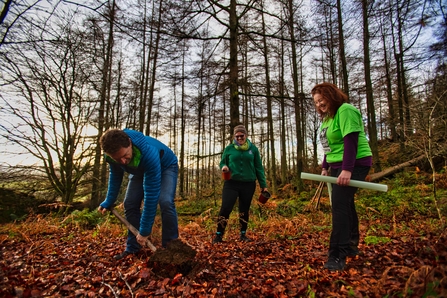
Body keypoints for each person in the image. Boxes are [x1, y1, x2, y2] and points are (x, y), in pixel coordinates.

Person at [311, 83, 372, 271]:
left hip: (356, 164)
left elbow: (351, 141)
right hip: (337, 165)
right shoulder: (327, 119)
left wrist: (347, 169)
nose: (319, 104)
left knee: (339, 206)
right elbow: (329, 145)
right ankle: (352, 245)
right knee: (345, 203)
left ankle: (337, 255)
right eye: (316, 102)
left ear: (331, 95)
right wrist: (325, 166)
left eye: (322, 99)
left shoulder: (346, 110)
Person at [97, 128, 179, 260]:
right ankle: (133, 248)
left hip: (165, 167)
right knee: (130, 203)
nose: (122, 161)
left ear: (129, 143)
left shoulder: (148, 153)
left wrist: (145, 230)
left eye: (124, 155)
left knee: (165, 201)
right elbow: (115, 176)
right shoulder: (112, 155)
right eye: (118, 159)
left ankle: (171, 248)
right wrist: (109, 201)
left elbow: (151, 196)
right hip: (139, 171)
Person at [213, 124, 268, 244]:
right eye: (236, 136)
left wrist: (263, 185)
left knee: (244, 209)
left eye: (241, 136)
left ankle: (243, 234)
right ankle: (219, 235)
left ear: (246, 135)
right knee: (226, 208)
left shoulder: (253, 149)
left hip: (248, 184)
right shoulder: (229, 149)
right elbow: (222, 162)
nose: (239, 138)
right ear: (234, 137)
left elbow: (258, 167)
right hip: (231, 183)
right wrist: (224, 167)